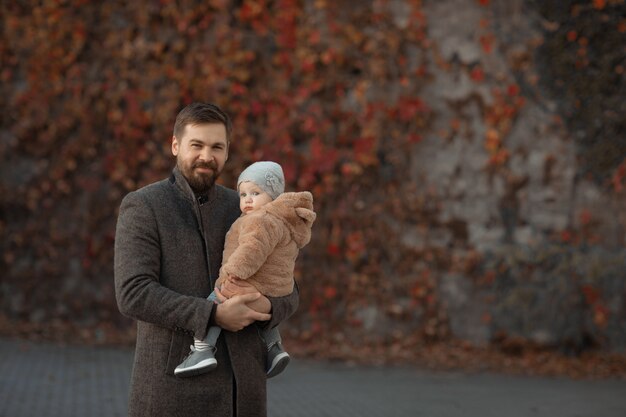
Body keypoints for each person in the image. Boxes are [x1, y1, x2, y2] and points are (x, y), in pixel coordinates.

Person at [114, 102, 300, 417]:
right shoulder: (144, 206)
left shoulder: (244, 206)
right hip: (172, 394)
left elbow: (287, 285)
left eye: (217, 147)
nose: (206, 155)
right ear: (175, 145)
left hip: (244, 395)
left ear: (227, 152)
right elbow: (133, 293)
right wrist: (212, 315)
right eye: (196, 145)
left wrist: (268, 308)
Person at [173, 161, 316, 379]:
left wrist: (232, 272)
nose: (247, 199)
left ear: (274, 195)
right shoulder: (283, 220)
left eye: (256, 193)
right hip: (276, 286)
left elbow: (252, 249)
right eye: (243, 194)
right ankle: (274, 348)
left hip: (248, 279)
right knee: (259, 315)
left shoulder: (261, 219)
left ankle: (202, 351)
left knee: (213, 304)